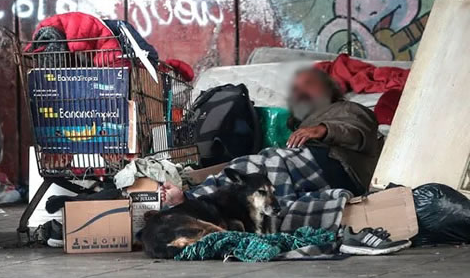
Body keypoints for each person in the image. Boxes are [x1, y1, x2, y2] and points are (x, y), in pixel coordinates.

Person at [162, 67, 383, 207]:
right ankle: (194, 200)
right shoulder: (301, 123)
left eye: (310, 85)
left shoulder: (349, 109)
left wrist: (323, 129)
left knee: (261, 165)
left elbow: (358, 131)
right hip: (316, 170)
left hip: (340, 167)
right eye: (297, 89)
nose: (301, 92)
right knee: (250, 177)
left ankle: (188, 200)